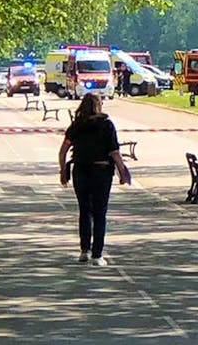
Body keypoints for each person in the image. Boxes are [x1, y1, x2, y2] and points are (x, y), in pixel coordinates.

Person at [58, 94, 132, 266]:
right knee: (100, 212)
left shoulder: (76, 125)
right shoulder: (107, 125)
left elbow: (63, 150)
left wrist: (63, 170)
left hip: (80, 171)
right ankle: (97, 255)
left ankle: (84, 250)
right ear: (99, 106)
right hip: (101, 171)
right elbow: (114, 151)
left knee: (84, 210)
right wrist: (122, 171)